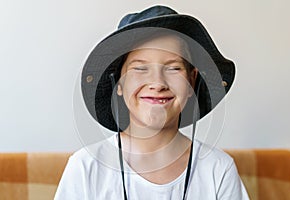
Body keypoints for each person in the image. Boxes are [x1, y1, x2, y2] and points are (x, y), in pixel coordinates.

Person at [55, 5, 249, 200]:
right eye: (140, 69)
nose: (157, 83)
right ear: (118, 84)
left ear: (192, 81)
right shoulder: (85, 168)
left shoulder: (218, 170)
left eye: (173, 69)